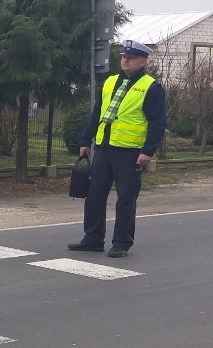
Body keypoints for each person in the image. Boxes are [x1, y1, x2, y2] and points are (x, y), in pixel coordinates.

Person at [68, 40, 167, 258]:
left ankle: (121, 243)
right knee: (94, 195)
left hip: (130, 152)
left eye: (130, 57)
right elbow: (97, 114)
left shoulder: (151, 87)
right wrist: (85, 140)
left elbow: (158, 122)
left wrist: (148, 151)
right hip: (104, 149)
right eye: (124, 56)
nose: (125, 60)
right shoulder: (111, 82)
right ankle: (93, 239)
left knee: (125, 199)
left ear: (143, 61)